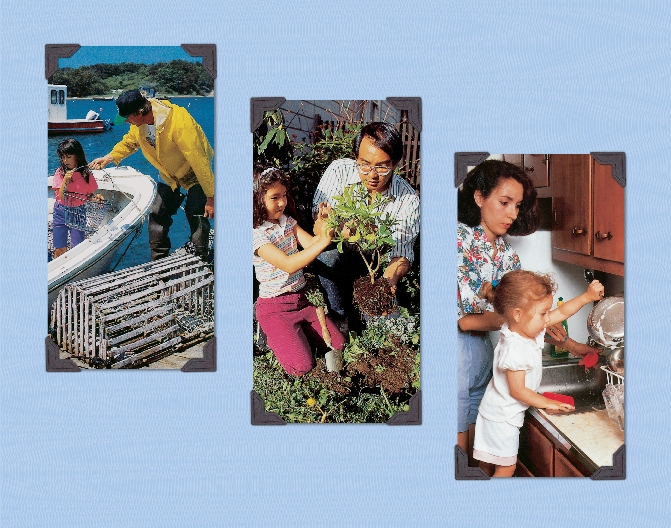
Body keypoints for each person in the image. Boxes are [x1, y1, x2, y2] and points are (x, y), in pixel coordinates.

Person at [456, 159, 596, 464]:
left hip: (483, 349)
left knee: (474, 436)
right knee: (457, 437)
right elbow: (465, 321)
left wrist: (543, 324)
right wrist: (533, 321)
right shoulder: (457, 242)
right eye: (504, 202)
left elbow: (522, 312)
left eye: (517, 205)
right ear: (479, 197)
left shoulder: (507, 255)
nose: (512, 214)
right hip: (456, 348)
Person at [473, 270, 604, 477]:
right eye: (543, 313)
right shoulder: (515, 347)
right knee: (506, 467)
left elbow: (560, 314)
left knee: (488, 465)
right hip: (501, 419)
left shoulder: (523, 328)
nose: (547, 319)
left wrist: (586, 297)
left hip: (496, 413)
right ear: (518, 313)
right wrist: (546, 402)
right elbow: (518, 391)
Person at [311, 122, 420, 328]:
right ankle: (339, 317)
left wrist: (388, 283)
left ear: (395, 163)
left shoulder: (408, 200)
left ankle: (367, 322)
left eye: (382, 166)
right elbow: (319, 228)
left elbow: (401, 254)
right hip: (338, 253)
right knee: (326, 258)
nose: (372, 174)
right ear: (356, 157)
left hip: (377, 266)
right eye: (365, 164)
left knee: (387, 327)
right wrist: (339, 228)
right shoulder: (339, 172)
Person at [90, 89, 214, 260]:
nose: (126, 122)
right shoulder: (139, 125)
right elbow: (130, 142)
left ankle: (201, 257)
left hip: (193, 171)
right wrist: (109, 157)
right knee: (157, 213)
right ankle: (158, 260)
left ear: (139, 112)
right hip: (169, 173)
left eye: (127, 118)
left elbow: (200, 161)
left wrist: (210, 196)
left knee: (196, 212)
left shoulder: (179, 122)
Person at [253, 167, 345, 376]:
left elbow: (311, 243)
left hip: (301, 301)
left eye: (284, 195)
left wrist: (324, 223)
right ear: (256, 200)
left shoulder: (288, 222)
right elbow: (289, 264)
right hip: (274, 308)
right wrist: (322, 242)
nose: (282, 202)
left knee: (338, 344)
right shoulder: (256, 236)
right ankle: (269, 332)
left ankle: (294, 335)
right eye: (274, 197)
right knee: (303, 366)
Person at [51, 138, 99, 259]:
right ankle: (57, 270)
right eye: (63, 157)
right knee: (60, 247)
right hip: (61, 211)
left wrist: (96, 198)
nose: (65, 160)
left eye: (68, 156)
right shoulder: (60, 172)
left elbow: (89, 195)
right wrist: (66, 180)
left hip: (78, 212)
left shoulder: (86, 174)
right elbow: (61, 196)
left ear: (77, 156)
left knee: (77, 248)